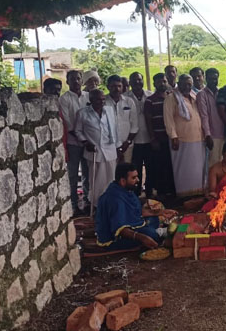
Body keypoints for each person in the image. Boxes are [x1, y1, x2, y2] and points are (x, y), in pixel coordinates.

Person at [95, 163, 177, 253]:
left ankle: (158, 232)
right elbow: (120, 230)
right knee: (151, 235)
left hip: (129, 226)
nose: (138, 180)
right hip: (114, 239)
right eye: (133, 178)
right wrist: (143, 238)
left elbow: (135, 212)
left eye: (137, 177)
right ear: (123, 181)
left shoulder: (125, 189)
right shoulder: (115, 200)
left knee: (154, 219)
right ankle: (158, 233)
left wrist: (161, 212)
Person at [163, 74, 206, 197]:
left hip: (198, 139)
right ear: (179, 83)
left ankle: (197, 194)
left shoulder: (194, 96)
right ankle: (184, 196)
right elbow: (168, 119)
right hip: (181, 140)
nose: (187, 86)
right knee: (183, 170)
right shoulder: (171, 98)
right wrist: (173, 136)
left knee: (197, 171)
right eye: (184, 84)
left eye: (189, 84)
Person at [75, 89, 118, 208]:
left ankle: (111, 203)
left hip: (110, 150)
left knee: (111, 179)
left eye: (103, 99)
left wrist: (118, 146)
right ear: (91, 100)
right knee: (96, 181)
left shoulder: (109, 110)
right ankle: (97, 205)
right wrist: (85, 142)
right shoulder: (82, 113)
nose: (102, 101)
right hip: (94, 152)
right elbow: (78, 131)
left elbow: (114, 128)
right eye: (99, 99)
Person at [59, 71, 91, 215]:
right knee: (72, 175)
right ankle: (73, 205)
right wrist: (81, 139)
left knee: (88, 173)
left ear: (82, 81)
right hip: (73, 143)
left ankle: (87, 202)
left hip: (89, 142)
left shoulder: (88, 96)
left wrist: (88, 139)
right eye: (73, 79)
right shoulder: (64, 99)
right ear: (67, 82)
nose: (76, 82)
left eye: (78, 79)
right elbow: (68, 123)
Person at [143, 73, 175, 198]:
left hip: (171, 138)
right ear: (154, 83)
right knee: (159, 166)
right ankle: (161, 193)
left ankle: (172, 191)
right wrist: (152, 138)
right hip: (158, 138)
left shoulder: (171, 97)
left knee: (171, 166)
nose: (162, 84)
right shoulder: (150, 100)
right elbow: (148, 120)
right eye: (159, 82)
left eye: (164, 81)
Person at [125, 72, 153, 197]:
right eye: (134, 80)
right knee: (135, 168)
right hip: (134, 141)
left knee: (151, 167)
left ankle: (149, 191)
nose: (137, 83)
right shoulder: (125, 98)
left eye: (139, 80)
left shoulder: (150, 95)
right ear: (130, 83)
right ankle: (136, 193)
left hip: (150, 139)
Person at [105, 75, 138, 163]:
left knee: (126, 172)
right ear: (108, 87)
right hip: (108, 146)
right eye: (113, 86)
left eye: (119, 86)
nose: (117, 89)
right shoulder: (103, 102)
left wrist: (128, 142)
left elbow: (134, 125)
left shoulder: (129, 101)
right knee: (111, 173)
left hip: (126, 145)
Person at [197, 68, 224, 165]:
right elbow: (204, 116)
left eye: (215, 79)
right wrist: (208, 135)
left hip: (225, 133)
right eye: (210, 79)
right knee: (213, 165)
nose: (213, 81)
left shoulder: (222, 92)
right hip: (213, 136)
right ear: (205, 79)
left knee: (224, 164)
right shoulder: (201, 94)